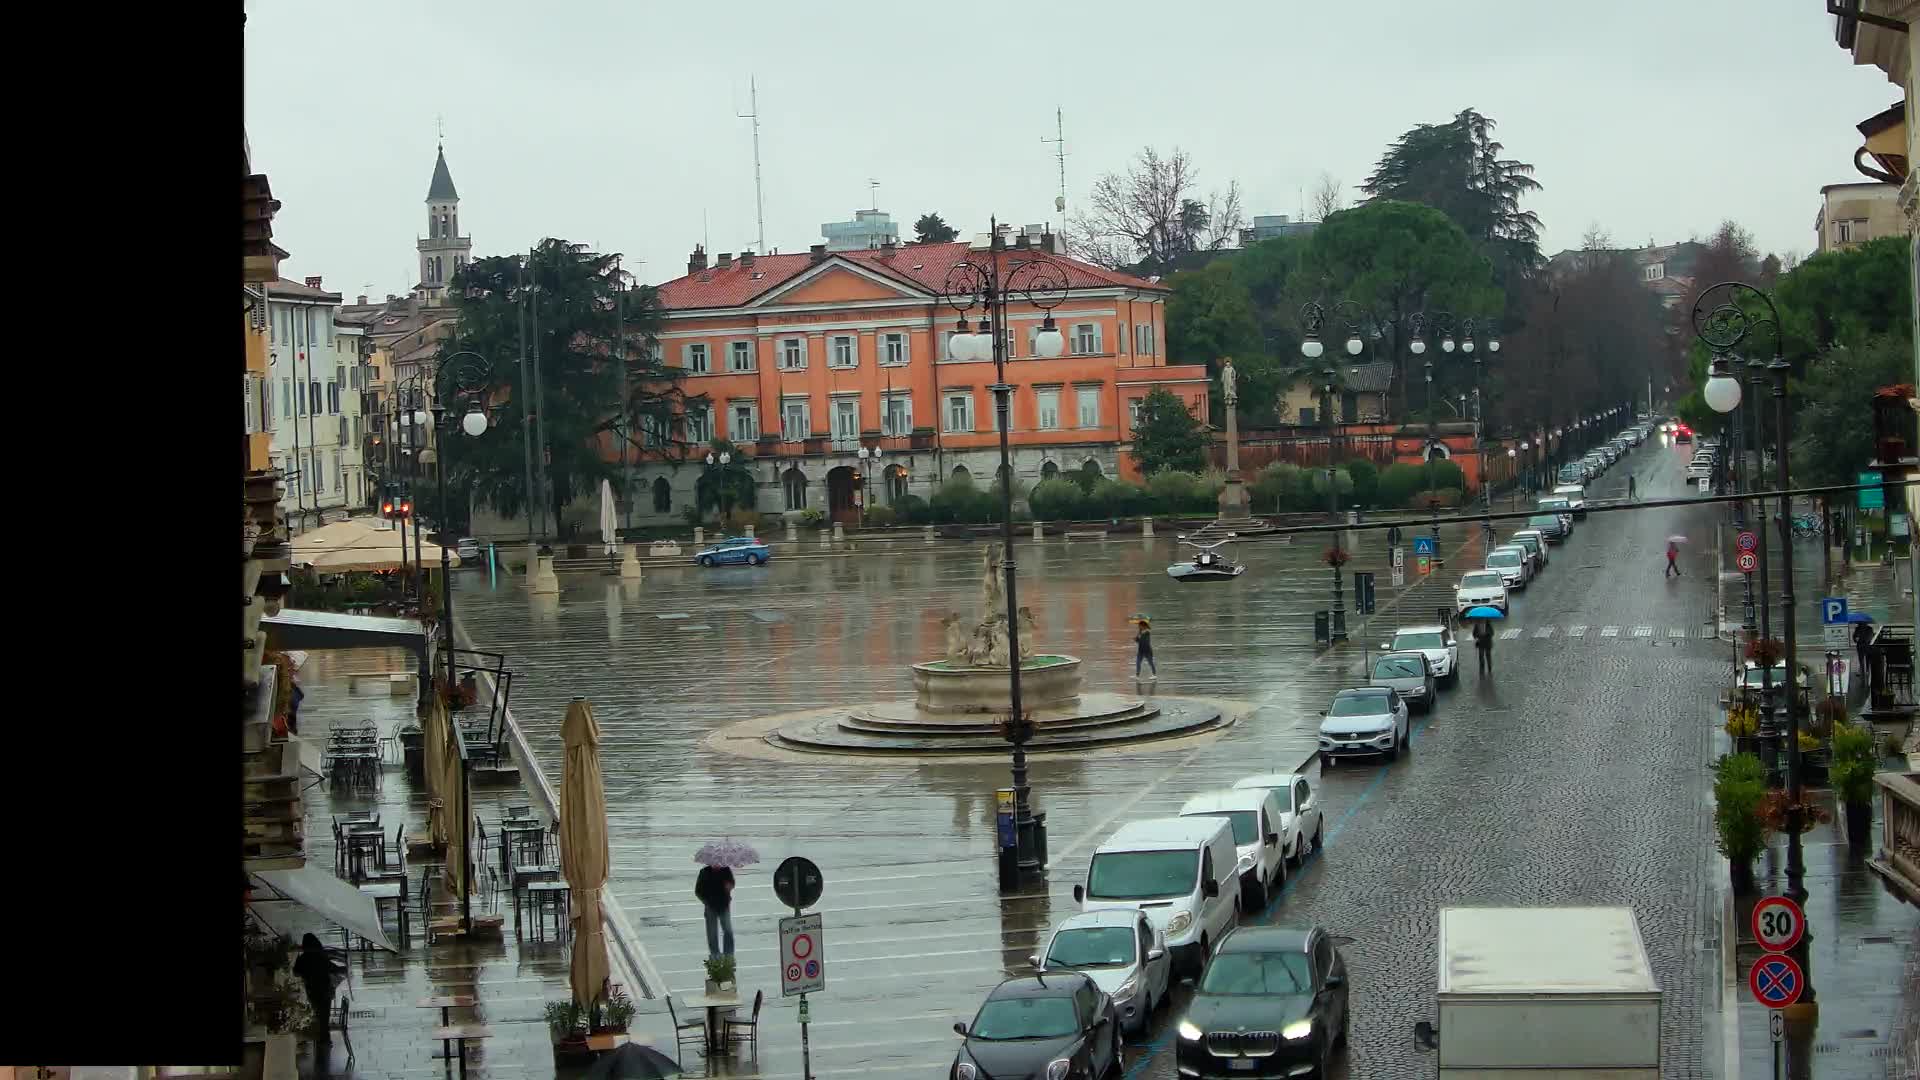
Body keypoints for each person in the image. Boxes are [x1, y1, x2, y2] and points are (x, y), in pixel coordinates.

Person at [292, 933, 342, 1055]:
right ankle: (324, 1040)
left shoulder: (303, 958)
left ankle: (321, 1038)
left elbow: (296, 972)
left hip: (312, 990)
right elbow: (333, 968)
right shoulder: (321, 956)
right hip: (325, 990)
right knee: (324, 1016)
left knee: (318, 1014)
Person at [695, 863, 735, 958]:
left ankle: (728, 954)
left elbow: (732, 882)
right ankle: (715, 954)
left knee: (728, 930)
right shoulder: (704, 872)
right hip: (710, 906)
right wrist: (706, 901)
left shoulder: (726, 870)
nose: (716, 864)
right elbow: (698, 891)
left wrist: (730, 885)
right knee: (712, 933)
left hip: (724, 905)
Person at [1852, 619, 1875, 691]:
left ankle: (1867, 670)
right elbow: (1854, 637)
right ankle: (1863, 671)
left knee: (1867, 658)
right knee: (1861, 659)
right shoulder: (1858, 629)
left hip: (1866, 645)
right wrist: (1856, 639)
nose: (1860, 624)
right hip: (1861, 646)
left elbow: (1870, 637)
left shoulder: (1869, 629)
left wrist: (1862, 640)